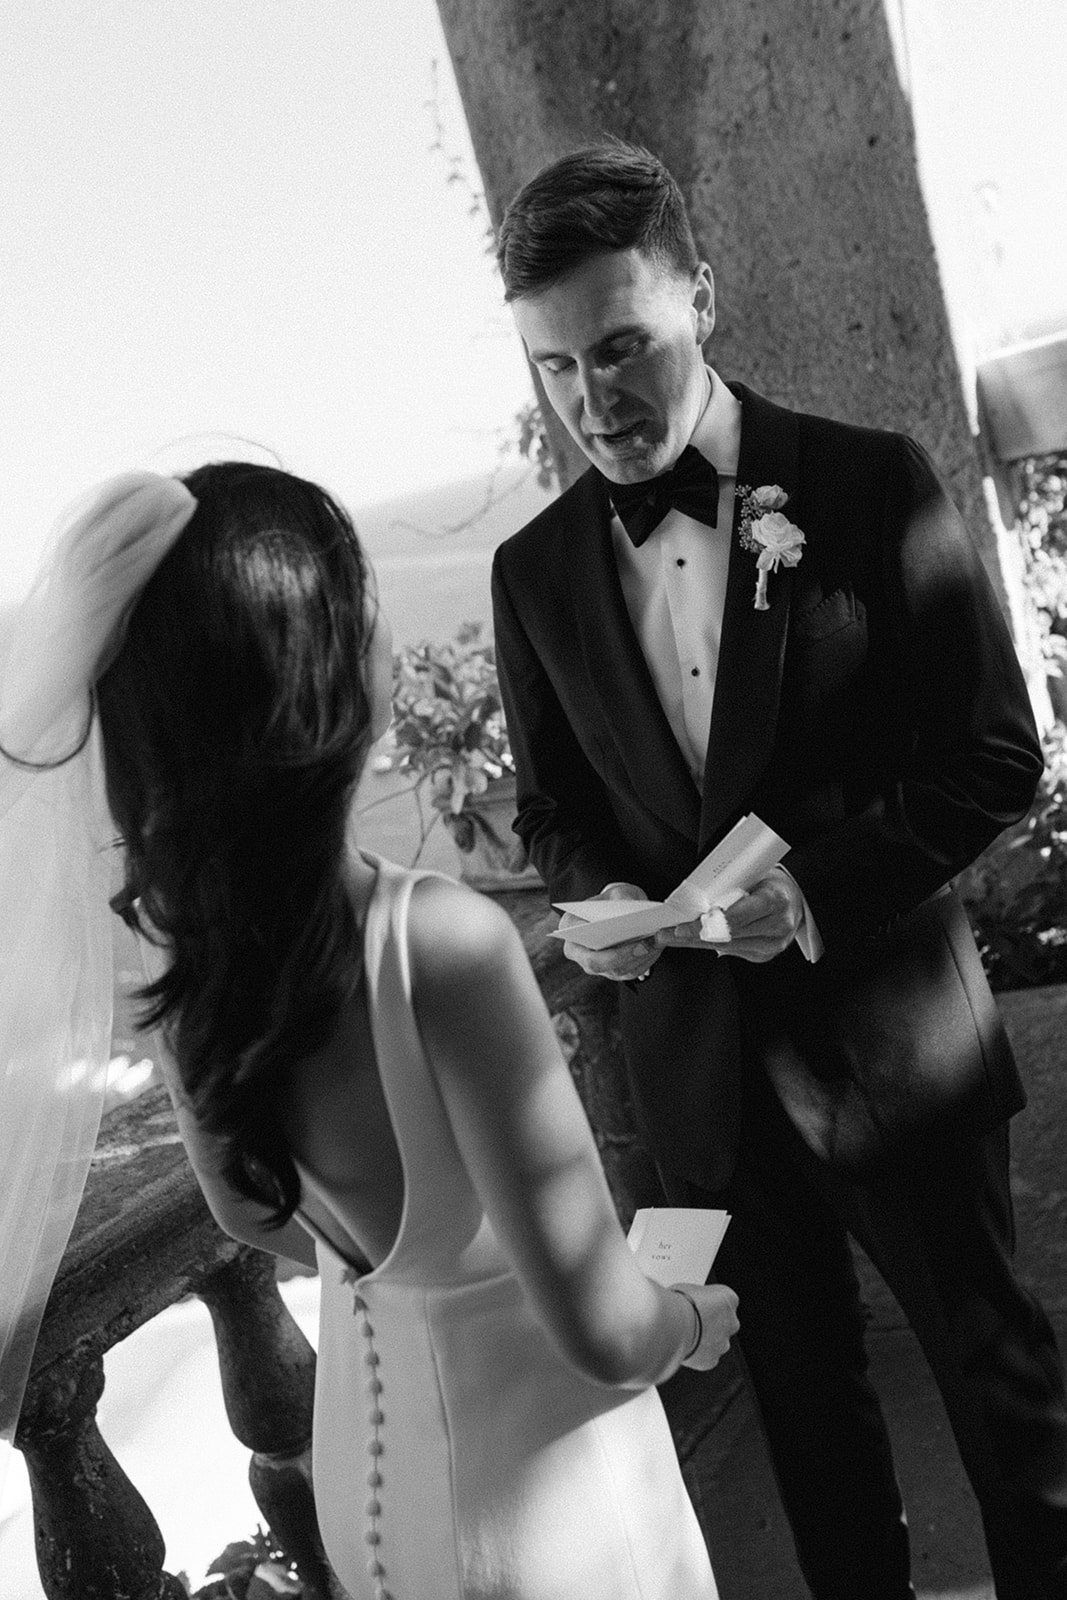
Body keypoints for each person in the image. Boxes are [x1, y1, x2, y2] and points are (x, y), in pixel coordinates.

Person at [490, 141, 1067, 1600]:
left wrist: (812, 888)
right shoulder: (531, 575)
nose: (593, 401)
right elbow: (553, 810)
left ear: (700, 295)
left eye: (621, 346)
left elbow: (994, 754)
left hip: (897, 1048)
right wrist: (598, 906)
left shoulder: (865, 484)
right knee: (811, 1445)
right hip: (704, 1080)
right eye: (556, 367)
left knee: (1006, 1409)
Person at [0, 465, 739, 1600]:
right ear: (322, 670)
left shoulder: (191, 953)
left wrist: (437, 1267)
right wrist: (687, 1317)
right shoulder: (440, 943)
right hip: (545, 1497)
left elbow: (251, 1213)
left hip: (369, 1478)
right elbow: (601, 1330)